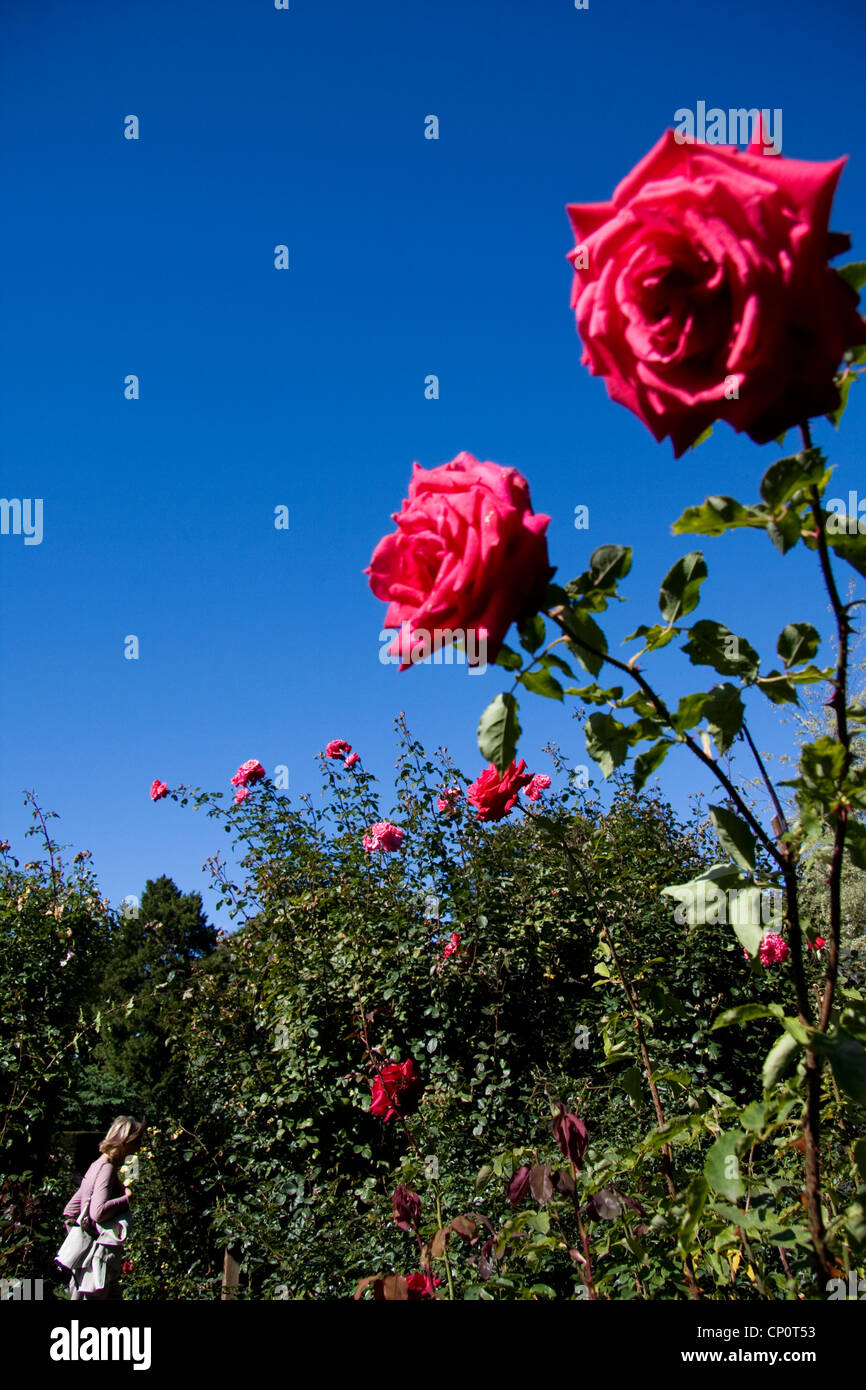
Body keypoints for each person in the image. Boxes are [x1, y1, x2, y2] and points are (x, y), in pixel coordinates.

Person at [61, 1115, 144, 1300]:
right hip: (99, 1262)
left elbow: (70, 1211)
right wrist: (126, 1199)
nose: (138, 1147)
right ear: (124, 1141)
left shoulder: (95, 1166)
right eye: (137, 1142)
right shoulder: (106, 1169)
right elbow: (98, 1212)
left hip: (93, 1260)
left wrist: (82, 1242)